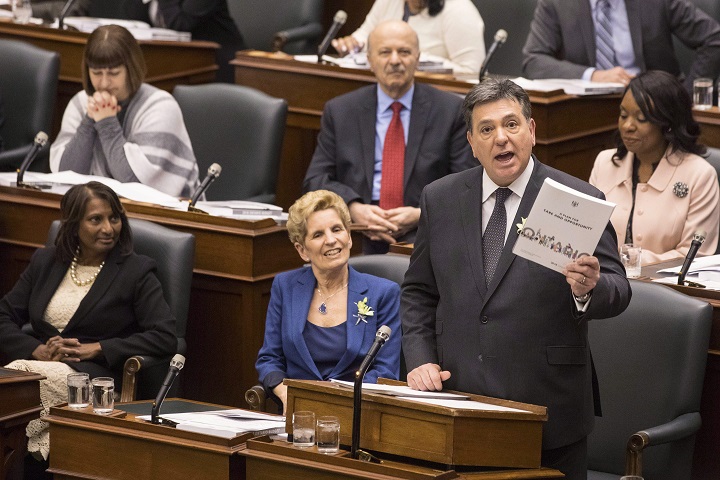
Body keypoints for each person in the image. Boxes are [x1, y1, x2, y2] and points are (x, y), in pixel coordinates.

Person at [400, 79, 631, 479]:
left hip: (548, 409)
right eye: (486, 129)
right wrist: (420, 359)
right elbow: (419, 291)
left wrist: (588, 289)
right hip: (460, 404)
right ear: (471, 142)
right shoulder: (440, 198)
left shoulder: (577, 199)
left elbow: (620, 289)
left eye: (511, 124)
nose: (501, 138)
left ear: (532, 130)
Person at [0, 181, 177, 463]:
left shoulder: (136, 271)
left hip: (95, 381)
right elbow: (3, 315)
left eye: (114, 218)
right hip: (40, 367)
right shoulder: (46, 261)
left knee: (16, 383)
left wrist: (98, 348)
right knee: (15, 388)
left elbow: (165, 336)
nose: (108, 228)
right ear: (74, 225)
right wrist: (36, 350)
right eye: (96, 220)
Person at [304, 20, 476, 254]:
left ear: (417, 58)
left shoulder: (450, 111)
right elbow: (315, 180)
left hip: (423, 228)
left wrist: (422, 213)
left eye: (404, 52)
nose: (395, 60)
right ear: (370, 60)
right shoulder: (341, 111)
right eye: (385, 52)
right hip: (354, 228)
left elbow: (467, 184)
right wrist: (352, 208)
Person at [255, 190, 402, 413]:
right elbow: (269, 359)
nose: (331, 240)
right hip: (297, 414)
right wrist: (286, 394)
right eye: (318, 235)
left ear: (349, 236)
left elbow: (386, 370)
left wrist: (336, 402)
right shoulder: (285, 286)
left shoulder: (383, 293)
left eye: (337, 229)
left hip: (357, 414)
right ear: (302, 250)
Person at [49, 25, 201, 198]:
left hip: (164, 211)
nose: (104, 83)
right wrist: (90, 120)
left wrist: (107, 124)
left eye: (114, 73)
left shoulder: (161, 107)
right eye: (96, 73)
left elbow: (138, 187)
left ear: (131, 69)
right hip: (96, 208)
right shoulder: (81, 103)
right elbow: (66, 176)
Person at [589, 70, 720, 264]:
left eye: (641, 118)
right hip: (605, 280)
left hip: (667, 283)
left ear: (667, 123)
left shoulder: (699, 175)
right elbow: (587, 232)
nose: (627, 126)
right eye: (623, 115)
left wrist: (630, 261)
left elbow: (695, 257)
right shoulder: (605, 162)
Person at [522, 0, 720, 92]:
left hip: (656, 108)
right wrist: (593, 75)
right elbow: (534, 60)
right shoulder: (556, 4)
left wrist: (685, 96)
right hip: (586, 111)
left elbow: (713, 39)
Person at [332, 0, 486, 74]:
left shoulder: (460, 11)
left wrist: (424, 64)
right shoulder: (387, 2)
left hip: (437, 102)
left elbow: (471, 73)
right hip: (384, 91)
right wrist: (351, 46)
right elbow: (364, 37)